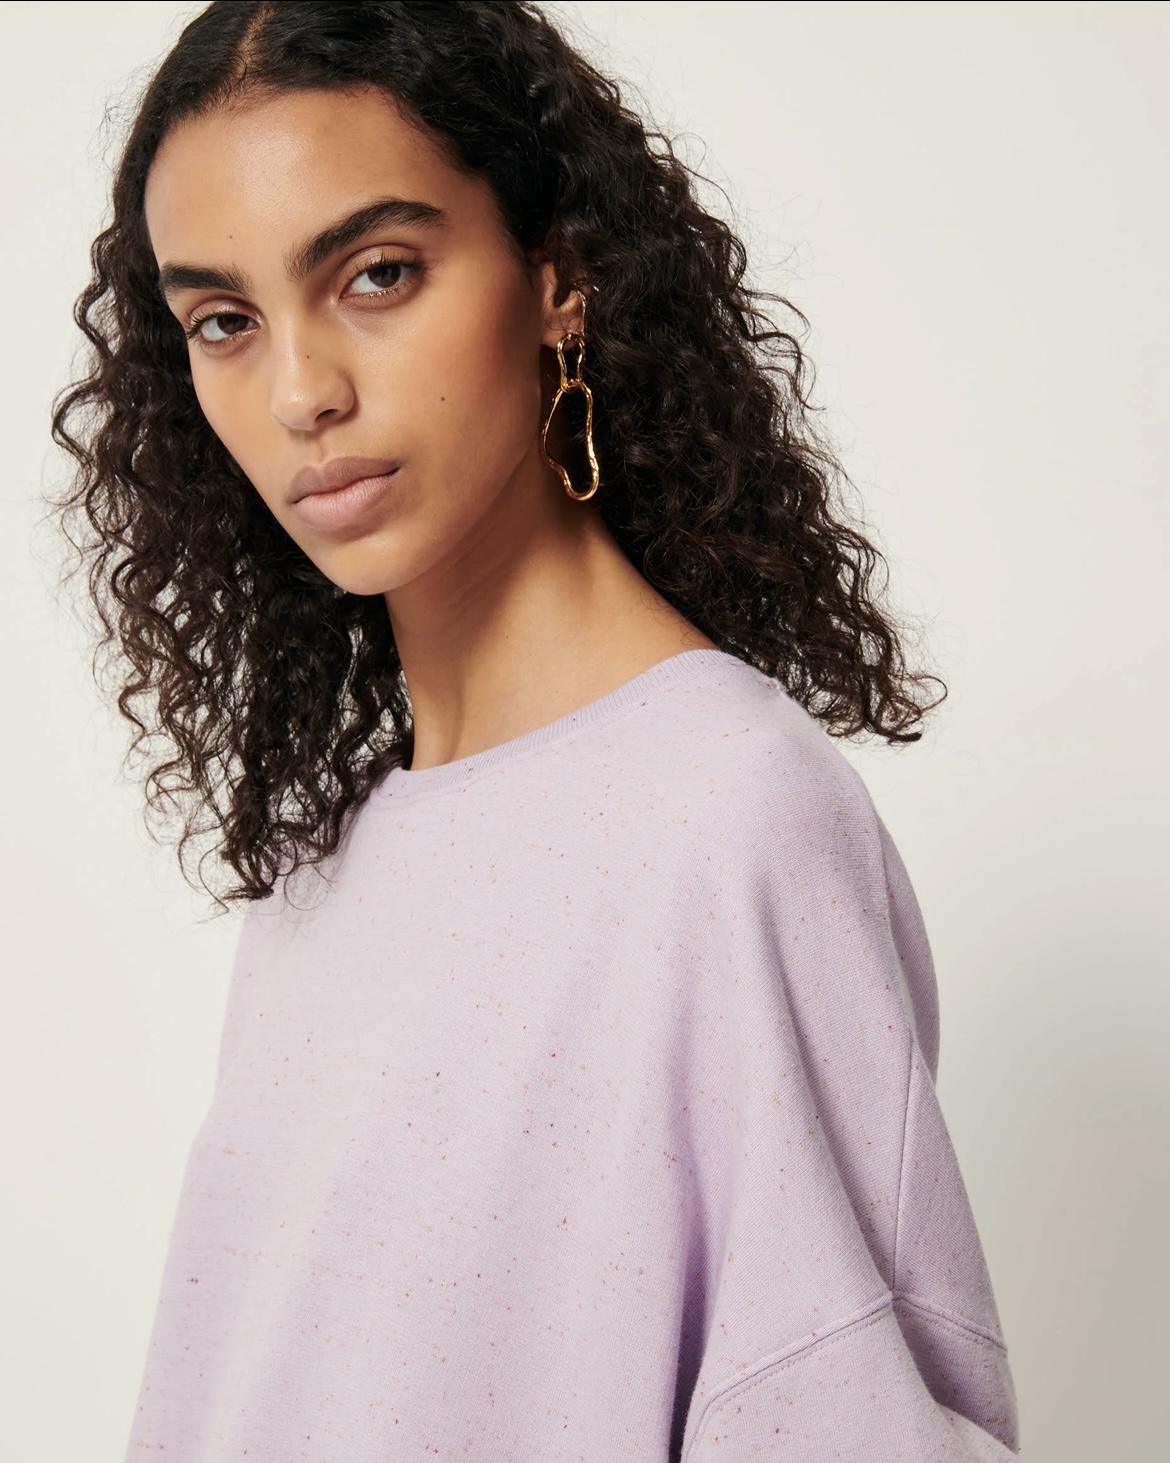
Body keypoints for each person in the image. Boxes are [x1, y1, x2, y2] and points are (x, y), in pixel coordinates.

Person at [51, 2, 1020, 1458]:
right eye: (224, 322)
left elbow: (828, 1406)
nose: (301, 393)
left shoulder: (725, 816)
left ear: (559, 279)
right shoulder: (332, 861)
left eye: (378, 273)